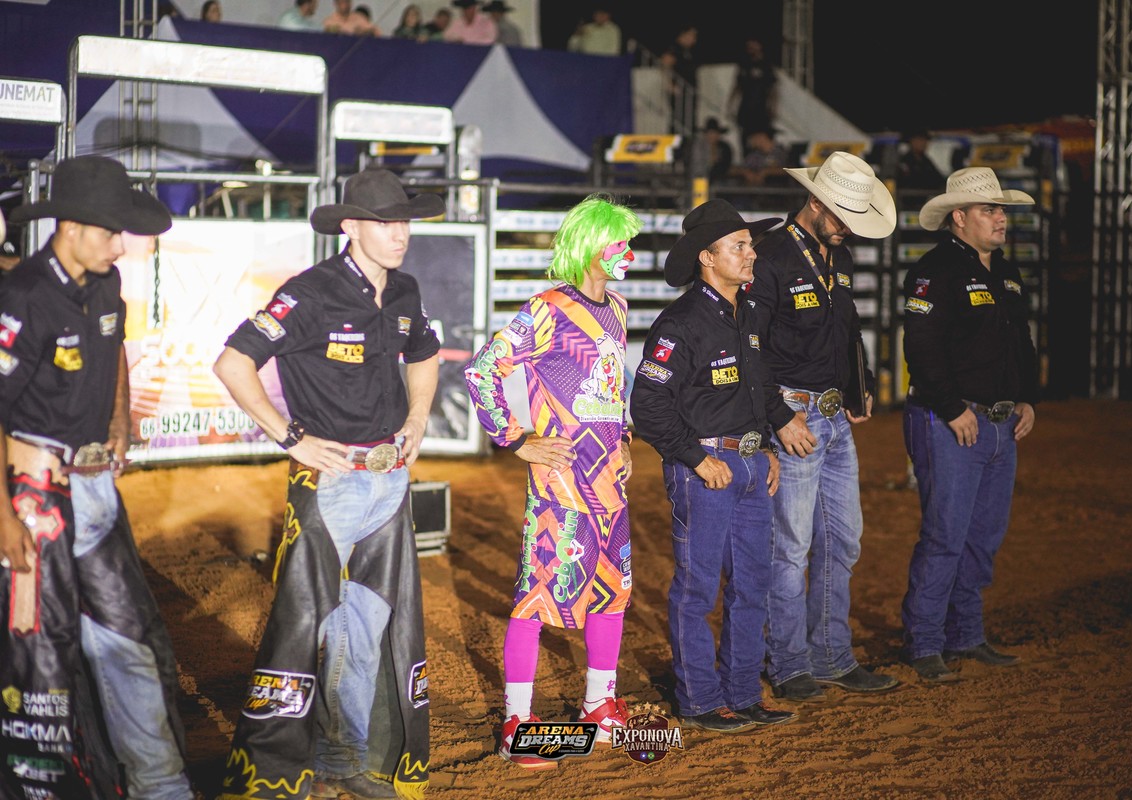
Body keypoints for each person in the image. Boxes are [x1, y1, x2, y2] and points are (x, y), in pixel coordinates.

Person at [212, 168, 443, 799]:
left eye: (404, 222)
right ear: (351, 227)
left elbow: (425, 355)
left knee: (366, 624)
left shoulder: (405, 291)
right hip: (330, 482)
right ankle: (273, 775)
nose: (400, 234)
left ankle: (344, 758)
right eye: (386, 223)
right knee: (303, 622)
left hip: (388, 480)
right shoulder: (309, 293)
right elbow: (233, 363)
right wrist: (290, 437)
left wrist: (417, 419)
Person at [0, 155, 194, 799]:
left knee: (126, 637)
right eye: (111, 232)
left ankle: (160, 785)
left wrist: (119, 423)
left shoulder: (106, 286)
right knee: (39, 655)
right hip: (33, 497)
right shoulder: (25, 295)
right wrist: (4, 518)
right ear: (72, 227)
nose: (120, 245)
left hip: (92, 489)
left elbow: (114, 355)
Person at [464, 195, 643, 769]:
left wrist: (625, 440)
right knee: (538, 595)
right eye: (619, 243)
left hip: (608, 482)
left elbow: (614, 387)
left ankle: (599, 707)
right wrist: (516, 439)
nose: (629, 254)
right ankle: (516, 722)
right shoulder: (546, 310)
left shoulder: (617, 308)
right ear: (590, 247)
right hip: (561, 483)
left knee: (613, 590)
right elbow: (483, 370)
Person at [630, 199, 796, 733]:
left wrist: (766, 446)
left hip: (748, 465)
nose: (751, 254)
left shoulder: (746, 313)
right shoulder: (680, 323)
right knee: (698, 588)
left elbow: (758, 387)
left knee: (753, 584)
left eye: (750, 245)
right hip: (706, 468)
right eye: (739, 246)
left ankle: (743, 692)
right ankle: (700, 699)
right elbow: (647, 406)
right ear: (707, 256)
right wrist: (698, 458)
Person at [747, 151, 901, 703]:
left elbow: (847, 326)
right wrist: (778, 417)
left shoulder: (837, 255)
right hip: (795, 414)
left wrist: (860, 383)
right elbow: (750, 345)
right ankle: (789, 662)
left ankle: (830, 655)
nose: (847, 227)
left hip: (831, 415)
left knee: (843, 539)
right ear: (814, 202)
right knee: (791, 546)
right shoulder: (770, 257)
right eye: (842, 216)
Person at [900, 167, 1038, 683]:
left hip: (997, 421)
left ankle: (965, 633)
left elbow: (1020, 341)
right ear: (959, 217)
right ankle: (925, 642)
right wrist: (951, 407)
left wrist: (1026, 397)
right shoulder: (934, 271)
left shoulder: (1006, 272)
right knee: (945, 535)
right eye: (990, 210)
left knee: (982, 536)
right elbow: (921, 345)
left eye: (1002, 210)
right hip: (951, 420)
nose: (1001, 218)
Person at [727, 38, 778, 157]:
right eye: (748, 46)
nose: (750, 48)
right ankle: (747, 161)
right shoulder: (744, 64)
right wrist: (730, 104)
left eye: (753, 45)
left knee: (763, 138)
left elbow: (773, 89)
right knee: (745, 139)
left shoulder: (766, 65)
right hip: (745, 109)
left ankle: (764, 162)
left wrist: (774, 107)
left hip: (761, 110)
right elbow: (737, 86)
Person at [664, 24, 699, 134]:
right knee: (679, 119)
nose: (694, 40)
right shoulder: (675, 48)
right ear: (684, 34)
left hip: (689, 92)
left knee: (689, 120)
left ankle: (686, 141)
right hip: (680, 92)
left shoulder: (688, 51)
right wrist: (670, 84)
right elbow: (664, 64)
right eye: (692, 36)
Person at [896, 129, 946, 201]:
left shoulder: (926, 161)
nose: (924, 143)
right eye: (920, 140)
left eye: (926, 140)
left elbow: (938, 179)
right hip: (907, 203)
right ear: (912, 141)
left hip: (925, 201)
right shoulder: (904, 161)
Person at [695, 116, 733, 184]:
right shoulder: (699, 148)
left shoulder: (725, 148)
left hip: (720, 182)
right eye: (710, 133)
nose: (712, 136)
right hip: (700, 181)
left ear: (718, 135)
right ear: (705, 134)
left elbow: (726, 166)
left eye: (714, 133)